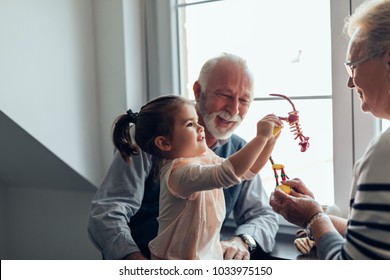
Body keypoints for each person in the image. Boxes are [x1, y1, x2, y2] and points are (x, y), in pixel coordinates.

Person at [88, 53, 280, 260]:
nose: (234, 110)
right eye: (225, 95)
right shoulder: (153, 144)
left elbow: (259, 205)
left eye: (244, 100)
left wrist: (243, 240)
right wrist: (133, 260)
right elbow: (107, 211)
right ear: (198, 91)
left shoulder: (237, 149)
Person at [269, 0, 390, 259]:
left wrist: (313, 218)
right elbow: (374, 241)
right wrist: (318, 214)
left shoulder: (386, 150)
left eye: (353, 65)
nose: (349, 81)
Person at [112, 95, 281, 259]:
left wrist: (271, 140)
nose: (200, 128)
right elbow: (228, 172)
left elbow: (248, 171)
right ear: (164, 143)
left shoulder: (203, 157)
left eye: (197, 122)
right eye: (190, 124)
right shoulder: (179, 173)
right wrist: (261, 137)